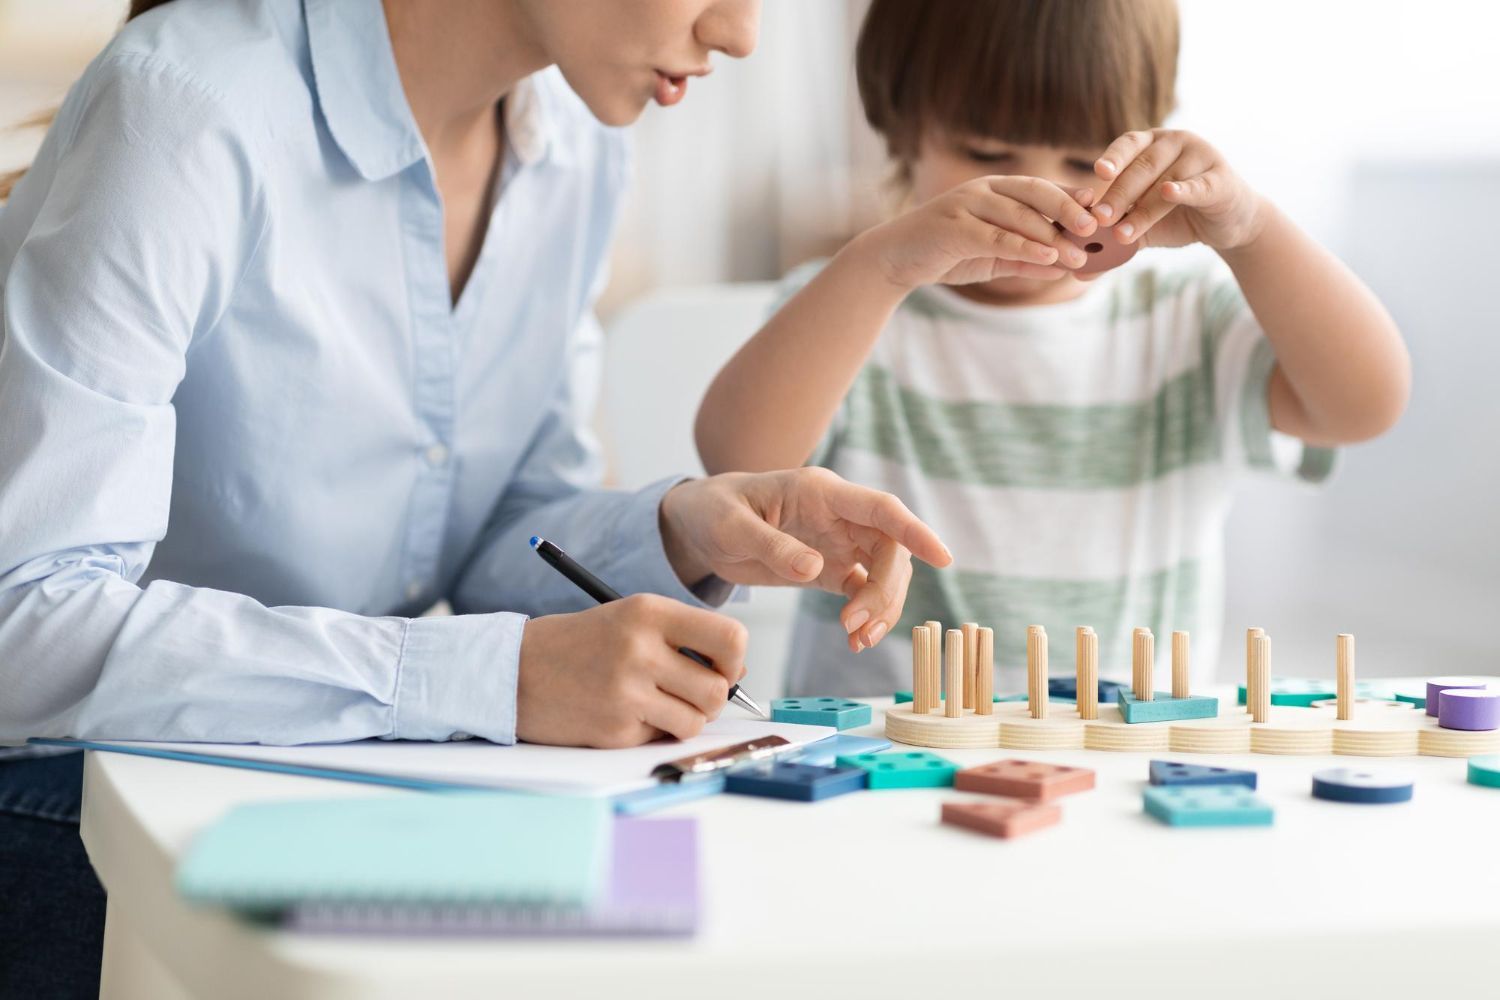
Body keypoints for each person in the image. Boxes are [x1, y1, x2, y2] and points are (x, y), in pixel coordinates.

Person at [0, 1, 959, 994]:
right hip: (80, 801)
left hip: (332, 796)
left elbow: (502, 531)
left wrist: (683, 531)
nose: (740, 33)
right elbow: (23, 623)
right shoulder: (193, 108)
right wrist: (489, 676)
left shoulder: (574, 147)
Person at [695, 0, 1411, 698]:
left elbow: (1364, 406)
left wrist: (1251, 229)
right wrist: (881, 268)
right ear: (901, 125)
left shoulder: (1185, 318)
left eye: (1083, 159)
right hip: (882, 761)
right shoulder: (851, 305)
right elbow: (740, 467)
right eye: (984, 152)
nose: (1040, 193)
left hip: (1125, 763)